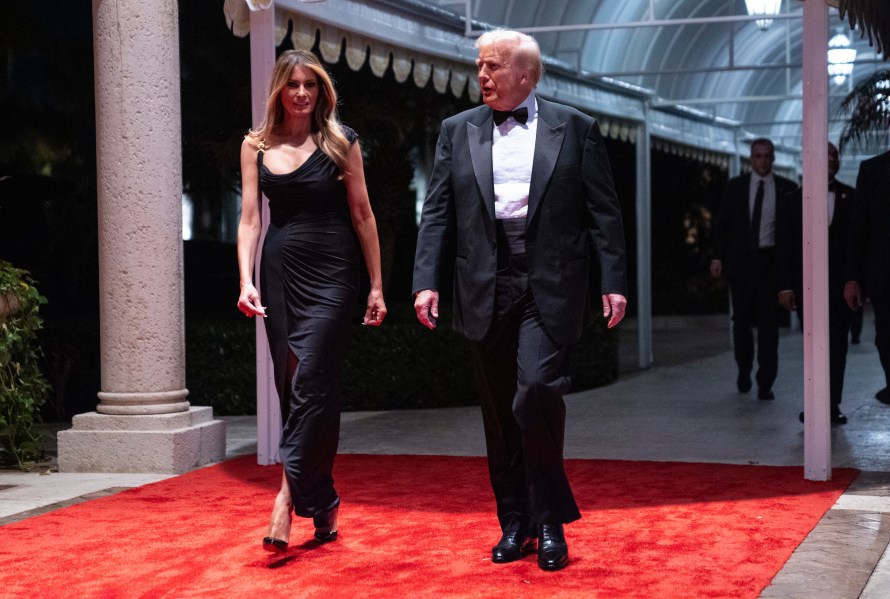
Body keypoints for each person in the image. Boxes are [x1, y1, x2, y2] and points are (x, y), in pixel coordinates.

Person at [412, 30, 627, 572]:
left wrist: (613, 280)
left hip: (550, 284)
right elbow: (436, 211)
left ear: (525, 75)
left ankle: (551, 521)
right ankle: (516, 522)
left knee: (535, 394)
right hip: (484, 283)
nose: (482, 76)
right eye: (479, 66)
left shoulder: (575, 128)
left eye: (493, 67)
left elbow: (604, 212)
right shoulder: (455, 131)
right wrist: (426, 280)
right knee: (498, 414)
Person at [236, 49, 386, 553]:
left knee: (312, 381)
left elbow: (363, 215)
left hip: (334, 274)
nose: (302, 92)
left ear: (322, 90)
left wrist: (377, 285)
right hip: (279, 273)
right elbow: (251, 220)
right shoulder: (255, 145)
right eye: (293, 84)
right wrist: (245, 280)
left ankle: (285, 499)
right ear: (279, 88)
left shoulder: (341, 142)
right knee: (295, 384)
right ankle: (322, 501)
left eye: (311, 84)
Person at [711, 138, 798, 400]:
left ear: (773, 158)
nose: (762, 161)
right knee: (741, 322)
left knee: (769, 326)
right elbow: (723, 224)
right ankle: (744, 369)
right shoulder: (735, 188)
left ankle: (765, 381)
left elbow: (793, 234)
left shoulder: (787, 189)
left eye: (767, 156)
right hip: (742, 264)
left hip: (771, 263)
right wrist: (717, 257)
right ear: (751, 159)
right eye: (757, 156)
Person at [776, 143, 852, 425]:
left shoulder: (851, 197)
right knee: (812, 346)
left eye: (835, 155)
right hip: (805, 286)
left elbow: (857, 246)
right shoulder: (792, 200)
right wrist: (785, 286)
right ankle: (813, 403)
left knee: (838, 346)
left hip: (840, 287)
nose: (831, 159)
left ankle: (832, 405)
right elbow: (784, 247)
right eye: (826, 153)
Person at [845, 101, 890, 437]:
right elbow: (858, 229)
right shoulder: (873, 169)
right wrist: (852, 277)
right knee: (886, 338)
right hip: (887, 264)